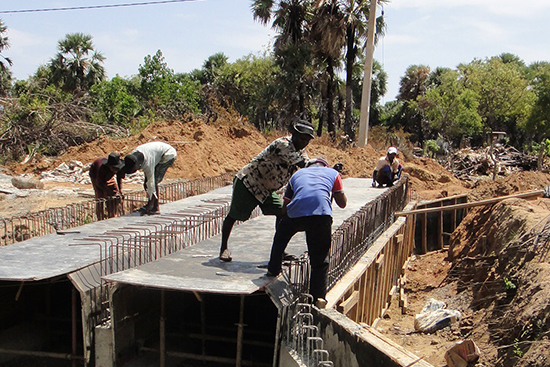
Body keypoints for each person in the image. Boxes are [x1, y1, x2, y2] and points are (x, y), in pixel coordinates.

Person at [219, 119, 315, 262]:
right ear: (293, 134)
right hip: (249, 183)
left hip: (267, 190)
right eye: (301, 138)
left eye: (307, 140)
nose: (303, 142)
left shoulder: (300, 150)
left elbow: (309, 166)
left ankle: (279, 250)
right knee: (235, 215)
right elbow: (304, 165)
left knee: (283, 213)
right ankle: (223, 248)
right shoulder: (283, 145)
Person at [266, 157, 347, 304]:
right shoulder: (333, 174)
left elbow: (285, 207)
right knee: (320, 261)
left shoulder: (296, 175)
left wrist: (284, 224)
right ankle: (316, 299)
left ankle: (273, 267)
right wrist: (332, 192)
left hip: (296, 214)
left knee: (280, 239)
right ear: (324, 166)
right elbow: (342, 204)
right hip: (321, 217)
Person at [119, 141, 177, 215]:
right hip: (156, 153)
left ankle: (155, 208)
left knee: (153, 181)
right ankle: (151, 204)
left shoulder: (148, 164)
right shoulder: (133, 156)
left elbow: (151, 184)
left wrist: (148, 207)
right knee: (146, 183)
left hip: (168, 154)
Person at [89, 152, 125, 220]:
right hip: (95, 174)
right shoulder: (102, 169)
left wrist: (120, 190)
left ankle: (112, 214)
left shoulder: (119, 167)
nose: (115, 170)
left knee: (114, 194)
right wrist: (106, 192)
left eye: (116, 169)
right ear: (109, 166)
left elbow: (119, 178)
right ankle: (100, 217)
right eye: (114, 168)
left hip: (107, 174)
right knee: (100, 197)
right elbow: (99, 183)